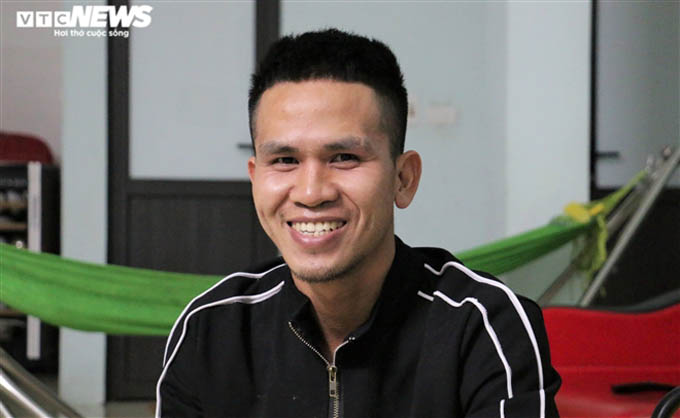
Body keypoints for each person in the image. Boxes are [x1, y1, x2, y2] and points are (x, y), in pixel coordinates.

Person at [156, 28, 561, 418]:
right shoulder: (211, 329)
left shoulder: (483, 327)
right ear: (255, 177)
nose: (311, 193)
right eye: (284, 160)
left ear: (403, 179)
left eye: (344, 158)